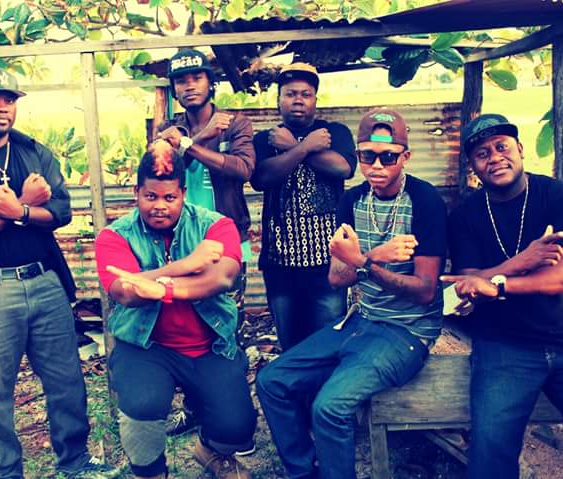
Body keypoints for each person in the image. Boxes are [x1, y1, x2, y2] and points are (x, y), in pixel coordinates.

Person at [0, 67, 119, 479]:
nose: (3, 107)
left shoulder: (34, 152)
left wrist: (18, 210)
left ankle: (74, 460)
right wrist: (25, 206)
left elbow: (62, 212)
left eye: (10, 99)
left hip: (45, 282)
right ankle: (4, 471)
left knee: (66, 381)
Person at [257, 109, 446, 479]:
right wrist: (374, 257)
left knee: (329, 408)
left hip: (407, 332)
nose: (376, 165)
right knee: (272, 381)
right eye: (367, 156)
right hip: (362, 321)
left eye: (388, 156)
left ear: (406, 157)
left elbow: (424, 292)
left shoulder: (424, 200)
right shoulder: (353, 201)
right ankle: (303, 472)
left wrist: (362, 262)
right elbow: (336, 277)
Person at [442, 113, 563, 479]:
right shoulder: (465, 215)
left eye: (501, 147)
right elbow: (467, 282)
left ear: (521, 149)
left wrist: (499, 284)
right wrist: (522, 262)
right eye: (482, 154)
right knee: (490, 454)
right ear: (473, 167)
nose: (494, 157)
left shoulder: (560, 197)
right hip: (504, 345)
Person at [94, 140, 256, 479]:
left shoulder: (215, 225)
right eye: (150, 196)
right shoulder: (115, 236)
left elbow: (223, 277)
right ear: (136, 193)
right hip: (146, 346)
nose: (159, 206)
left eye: (169, 198)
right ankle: (152, 472)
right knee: (141, 407)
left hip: (209, 345)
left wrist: (161, 288)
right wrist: (185, 265)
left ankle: (211, 451)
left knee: (238, 427)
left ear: (183, 193)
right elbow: (125, 292)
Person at [155, 48, 256, 442]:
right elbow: (160, 173)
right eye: (181, 80)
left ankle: (232, 413)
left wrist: (190, 145)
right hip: (181, 246)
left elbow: (243, 169)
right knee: (186, 331)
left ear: (210, 82)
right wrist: (197, 139)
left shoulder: (235, 123)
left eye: (196, 77)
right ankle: (195, 409)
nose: (189, 85)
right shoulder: (168, 128)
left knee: (228, 329)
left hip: (228, 244)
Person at [251, 62, 356, 350]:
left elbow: (342, 168)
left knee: (327, 343)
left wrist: (294, 146)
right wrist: (305, 146)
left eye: (305, 94)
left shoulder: (334, 132)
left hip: (328, 264)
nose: (298, 100)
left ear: (315, 100)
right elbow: (262, 178)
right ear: (278, 100)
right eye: (290, 94)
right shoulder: (266, 139)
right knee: (291, 346)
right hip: (280, 265)